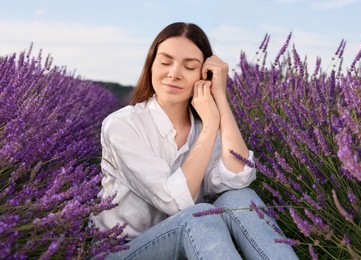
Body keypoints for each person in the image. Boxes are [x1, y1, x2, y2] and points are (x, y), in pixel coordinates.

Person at [92, 22, 298, 259]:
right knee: (199, 217)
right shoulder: (122, 125)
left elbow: (238, 176)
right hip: (121, 250)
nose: (174, 73)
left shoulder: (200, 126)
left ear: (204, 76)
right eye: (165, 62)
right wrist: (211, 126)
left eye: (189, 67)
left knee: (241, 198)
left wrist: (220, 97)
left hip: (185, 243)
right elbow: (174, 203)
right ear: (151, 65)